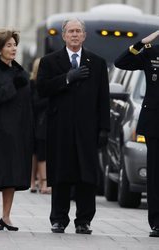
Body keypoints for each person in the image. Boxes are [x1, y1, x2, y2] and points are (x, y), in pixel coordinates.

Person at [37, 19, 110, 234]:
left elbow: (103, 98)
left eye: (78, 31)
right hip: (60, 127)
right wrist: (67, 78)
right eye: (71, 31)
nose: (75, 35)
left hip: (88, 129)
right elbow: (42, 89)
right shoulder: (50, 61)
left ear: (84, 35)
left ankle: (84, 220)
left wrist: (104, 128)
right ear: (64, 35)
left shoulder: (96, 62)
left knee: (86, 175)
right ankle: (59, 218)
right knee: (61, 174)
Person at [0, 28, 33, 231]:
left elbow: (28, 103)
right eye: (9, 45)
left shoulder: (21, 72)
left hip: (18, 131)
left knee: (13, 173)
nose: (13, 48)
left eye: (14, 45)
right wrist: (12, 85)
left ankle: (6, 216)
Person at [114, 30, 159, 238]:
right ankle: (157, 222)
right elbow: (121, 62)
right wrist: (141, 43)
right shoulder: (152, 52)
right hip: (155, 124)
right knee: (155, 175)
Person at [30, 58, 51, 194]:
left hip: (45, 122)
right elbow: (35, 103)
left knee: (39, 153)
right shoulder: (33, 84)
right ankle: (40, 182)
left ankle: (36, 181)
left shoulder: (48, 83)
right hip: (37, 122)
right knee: (38, 153)